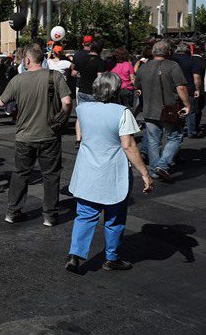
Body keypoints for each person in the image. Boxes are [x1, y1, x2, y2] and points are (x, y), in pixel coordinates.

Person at [65, 73, 154, 273]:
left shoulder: (83, 109)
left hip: (87, 170)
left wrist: (81, 141)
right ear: (116, 91)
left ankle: (75, 255)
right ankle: (112, 258)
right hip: (113, 172)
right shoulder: (122, 112)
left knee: (85, 215)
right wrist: (145, 174)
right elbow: (129, 145)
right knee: (115, 217)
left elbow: (80, 128)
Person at [0, 43, 72, 226]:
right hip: (50, 135)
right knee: (51, 175)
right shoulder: (55, 76)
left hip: (24, 136)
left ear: (28, 60)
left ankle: (13, 212)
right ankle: (50, 215)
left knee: (21, 173)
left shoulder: (18, 80)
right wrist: (61, 119)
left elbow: (1, 102)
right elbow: (67, 102)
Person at [134, 41, 190, 181]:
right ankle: (163, 165)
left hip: (149, 109)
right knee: (175, 136)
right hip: (169, 109)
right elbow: (181, 88)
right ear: (169, 52)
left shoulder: (143, 67)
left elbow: (137, 86)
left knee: (153, 140)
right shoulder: (173, 66)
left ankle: (154, 170)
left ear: (153, 52)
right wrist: (187, 105)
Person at [172, 42, 200, 138]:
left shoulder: (172, 60)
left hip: (174, 88)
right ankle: (191, 131)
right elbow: (196, 76)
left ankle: (176, 129)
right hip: (189, 88)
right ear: (187, 50)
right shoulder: (192, 60)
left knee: (175, 109)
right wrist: (197, 89)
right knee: (190, 110)